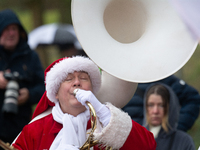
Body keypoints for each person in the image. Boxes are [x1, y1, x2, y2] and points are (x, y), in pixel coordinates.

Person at [12, 56, 156, 150]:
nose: (77, 82)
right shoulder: (35, 130)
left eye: (83, 78)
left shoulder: (104, 121)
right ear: (55, 92)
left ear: (92, 89)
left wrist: (103, 113)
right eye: (68, 79)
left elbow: (148, 146)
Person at [0, 9, 45, 145]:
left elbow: (45, 87)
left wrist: (28, 95)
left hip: (21, 129)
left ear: (20, 32)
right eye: (6, 29)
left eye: (14, 28)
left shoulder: (31, 57)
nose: (11, 33)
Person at [122, 75, 200, 132]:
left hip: (159, 142)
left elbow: (192, 98)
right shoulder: (120, 83)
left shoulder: (158, 77)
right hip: (131, 141)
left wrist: (174, 128)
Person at [144, 83, 195, 150]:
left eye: (161, 105)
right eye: (151, 105)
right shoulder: (137, 138)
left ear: (170, 108)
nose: (155, 111)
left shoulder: (183, 141)